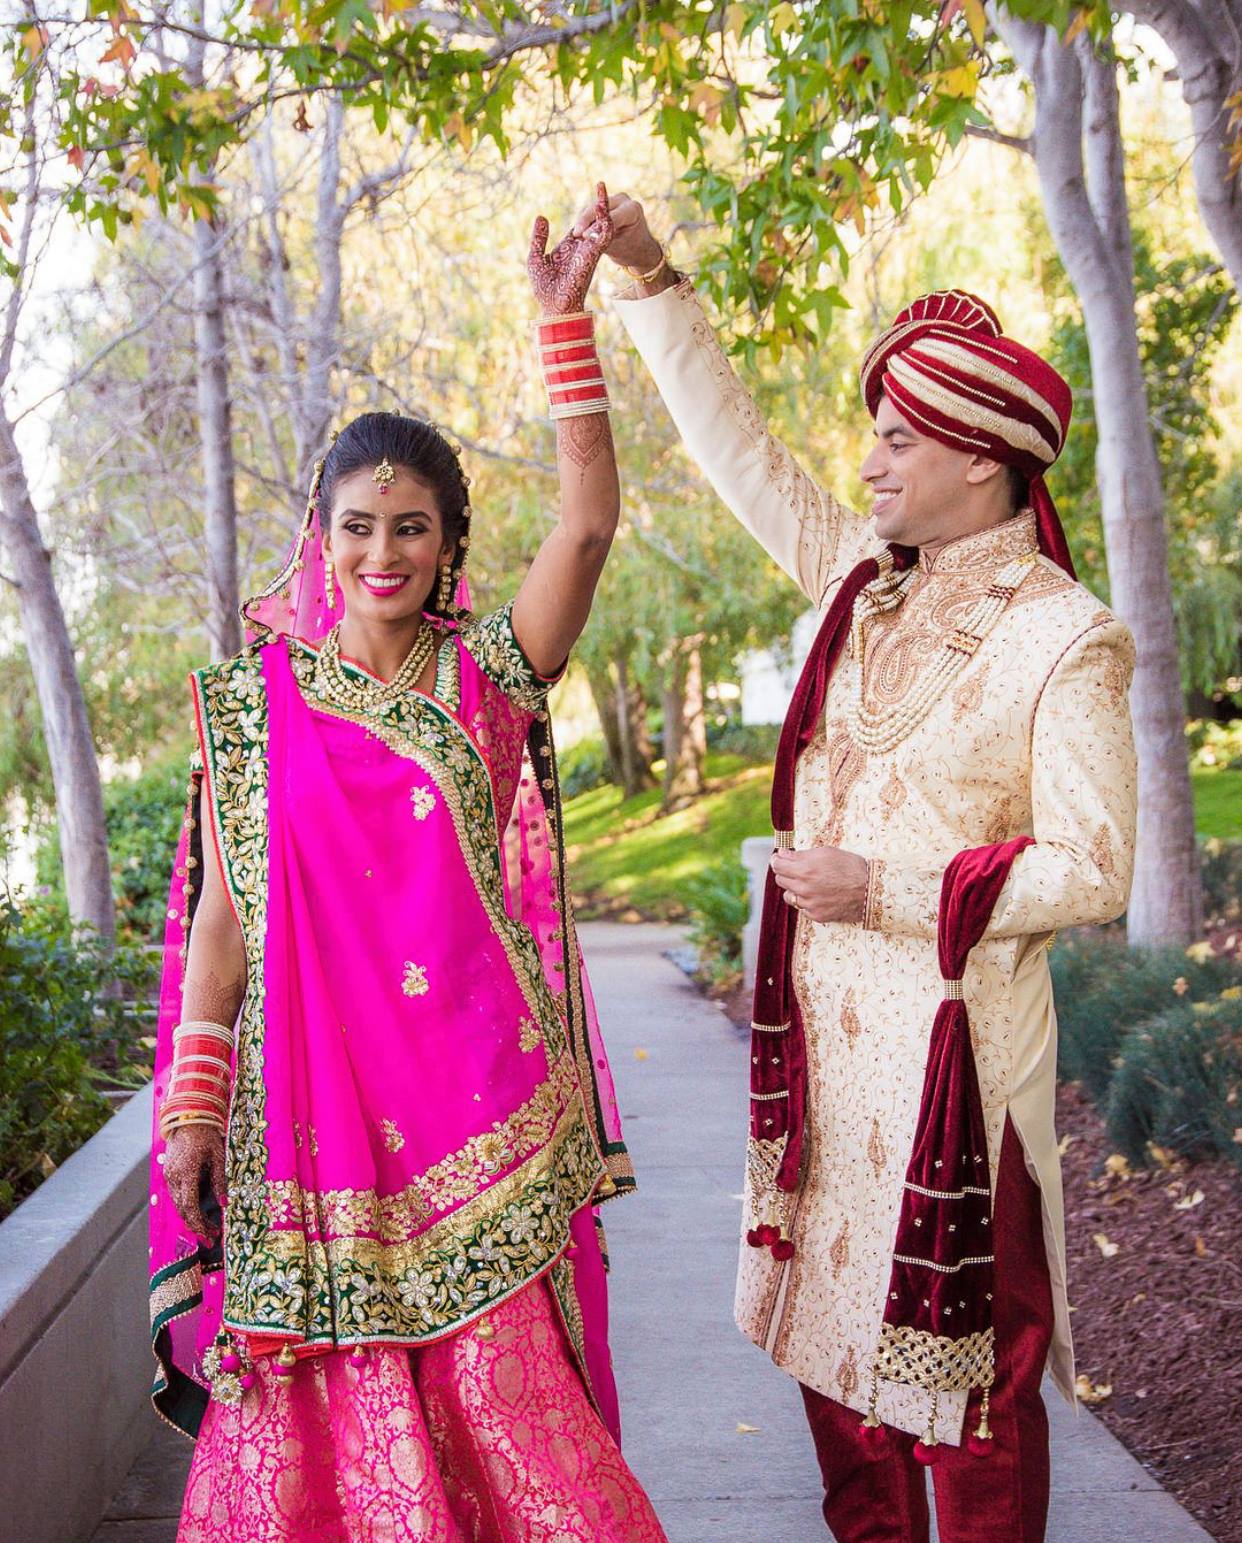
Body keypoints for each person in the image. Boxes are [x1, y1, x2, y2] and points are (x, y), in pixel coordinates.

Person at [591, 193, 1138, 1543]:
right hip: (824, 1061)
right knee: (834, 1367)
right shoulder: (862, 581)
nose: (872, 463)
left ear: (977, 457)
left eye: (896, 440)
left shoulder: (1065, 639)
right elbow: (744, 457)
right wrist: (651, 280)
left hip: (955, 1071)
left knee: (973, 1395)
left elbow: (1096, 865)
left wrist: (883, 891)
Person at [147, 186, 667, 1543]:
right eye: (359, 525)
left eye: (414, 527)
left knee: (515, 1421)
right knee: (321, 1422)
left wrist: (565, 325)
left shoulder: (485, 679)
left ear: (448, 548)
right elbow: (225, 912)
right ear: (320, 538)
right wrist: (194, 1102)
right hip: (305, 1128)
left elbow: (592, 526)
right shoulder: (251, 707)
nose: (383, 551)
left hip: (475, 1110)